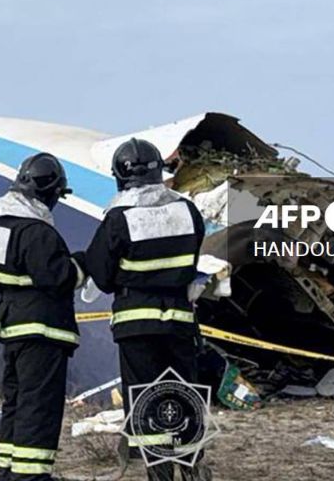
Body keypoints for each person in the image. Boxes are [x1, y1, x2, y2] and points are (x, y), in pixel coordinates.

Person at [79, 138, 205, 479]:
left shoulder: (118, 219)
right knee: (183, 393)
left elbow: (102, 276)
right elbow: (191, 261)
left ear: (120, 176)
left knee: (147, 399)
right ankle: (192, 466)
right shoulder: (188, 212)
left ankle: (160, 473)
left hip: (136, 326)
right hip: (179, 321)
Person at [0, 153, 83, 481]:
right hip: (42, 332)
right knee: (39, 406)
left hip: (12, 328)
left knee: (17, 402)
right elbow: (58, 278)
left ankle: (9, 472)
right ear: (49, 193)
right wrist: (82, 264)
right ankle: (32, 476)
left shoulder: (0, 228)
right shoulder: (38, 232)